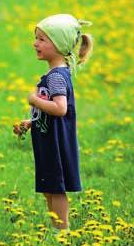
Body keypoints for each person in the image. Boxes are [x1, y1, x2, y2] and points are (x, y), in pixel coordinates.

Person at [13, 14, 93, 231]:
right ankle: (56, 229)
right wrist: (31, 122)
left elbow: (60, 109)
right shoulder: (54, 73)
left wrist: (34, 100)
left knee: (56, 188)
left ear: (58, 45)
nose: (35, 43)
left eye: (41, 39)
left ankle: (62, 232)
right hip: (48, 139)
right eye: (36, 38)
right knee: (49, 187)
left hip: (55, 143)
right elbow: (51, 110)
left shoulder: (57, 76)